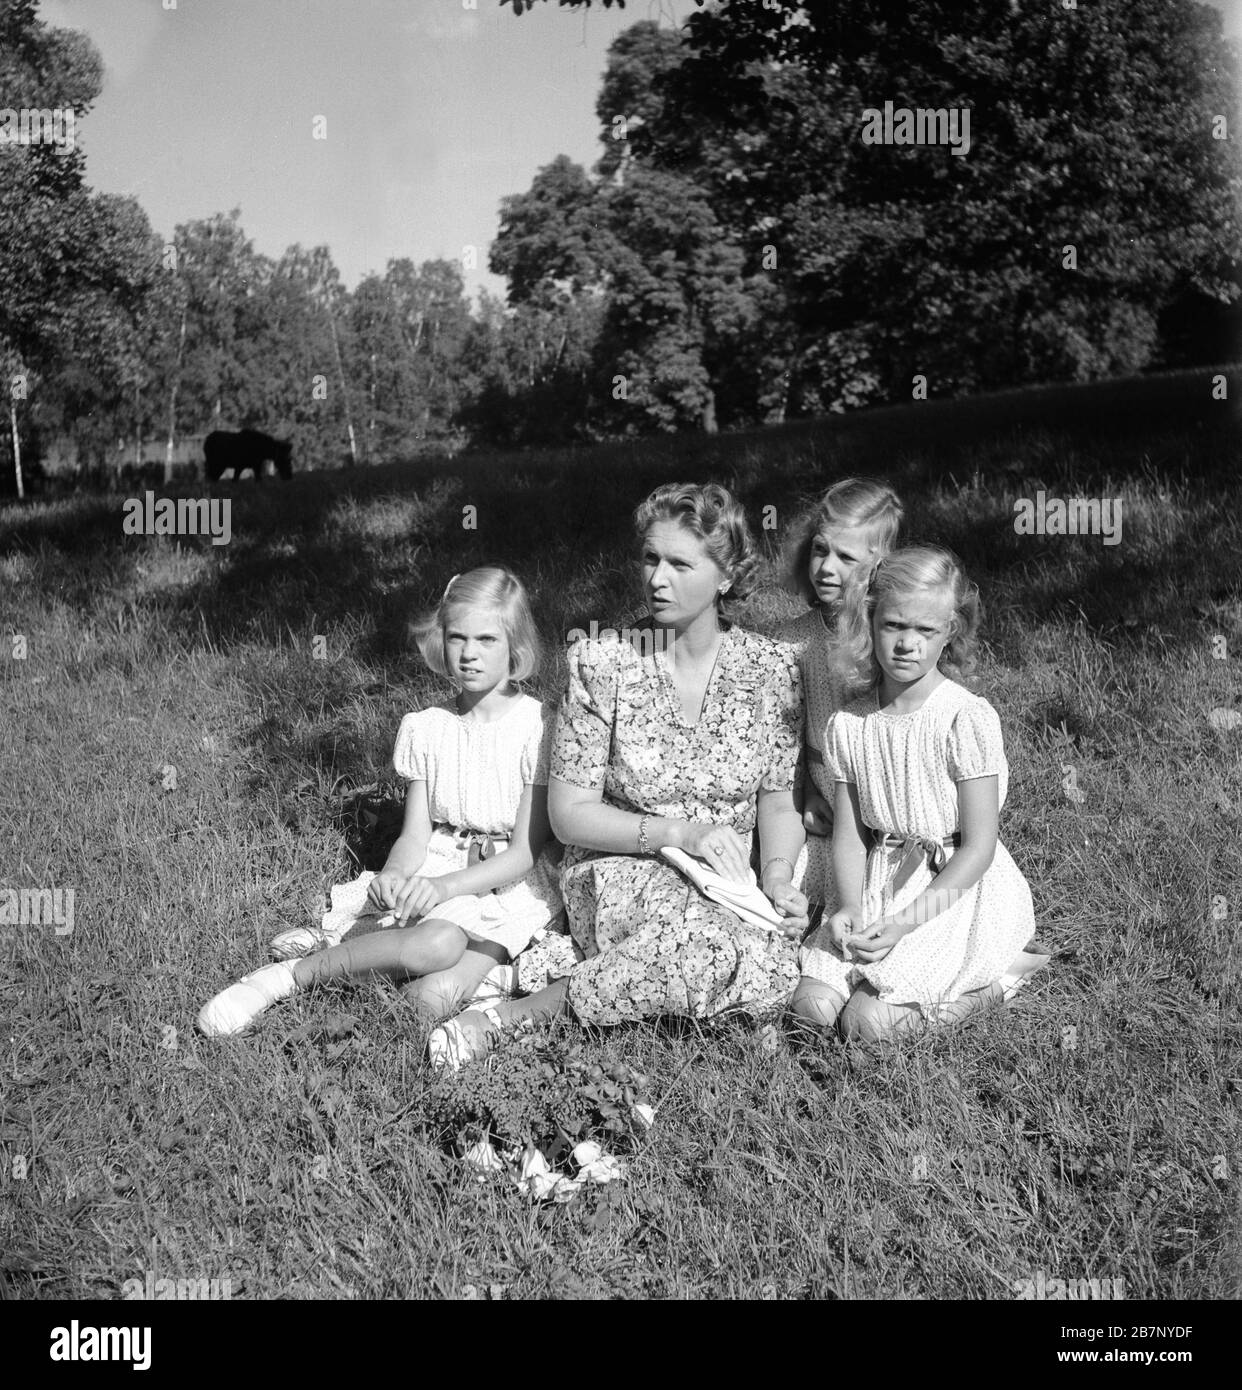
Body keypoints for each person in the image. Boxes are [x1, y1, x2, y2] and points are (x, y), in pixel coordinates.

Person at [428, 482, 810, 1068]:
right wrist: (677, 833)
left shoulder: (774, 668)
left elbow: (778, 802)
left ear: (726, 577)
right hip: (622, 868)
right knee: (713, 950)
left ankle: (646, 1000)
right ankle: (510, 1021)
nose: (657, 578)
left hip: (730, 883)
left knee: (773, 957)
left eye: (680, 564)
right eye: (650, 558)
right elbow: (570, 815)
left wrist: (779, 880)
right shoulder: (602, 661)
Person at [196, 566, 566, 1037]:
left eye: (487, 640)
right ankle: (286, 978)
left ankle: (384, 957)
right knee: (436, 944)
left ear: (516, 646)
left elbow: (523, 853)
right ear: (441, 640)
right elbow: (415, 835)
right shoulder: (429, 726)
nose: (469, 654)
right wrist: (394, 873)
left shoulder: (538, 727)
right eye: (457, 638)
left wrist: (448, 888)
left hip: (509, 886)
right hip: (440, 865)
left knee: (428, 1001)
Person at [789, 546, 1047, 1041]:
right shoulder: (850, 724)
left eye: (925, 631)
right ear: (870, 620)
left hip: (949, 891)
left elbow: (978, 847)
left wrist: (905, 924)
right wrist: (848, 907)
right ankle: (859, 975)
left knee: (868, 1025)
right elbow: (851, 837)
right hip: (875, 883)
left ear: (949, 631)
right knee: (813, 1010)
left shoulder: (963, 718)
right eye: (894, 626)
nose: (908, 643)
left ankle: (996, 983)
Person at [776, 478, 904, 910]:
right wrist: (806, 795)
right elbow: (780, 744)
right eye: (819, 549)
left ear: (878, 567)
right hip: (826, 800)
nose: (826, 568)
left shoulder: (888, 640)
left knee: (891, 898)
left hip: (887, 800)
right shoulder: (791, 643)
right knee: (784, 889)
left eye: (845, 557)